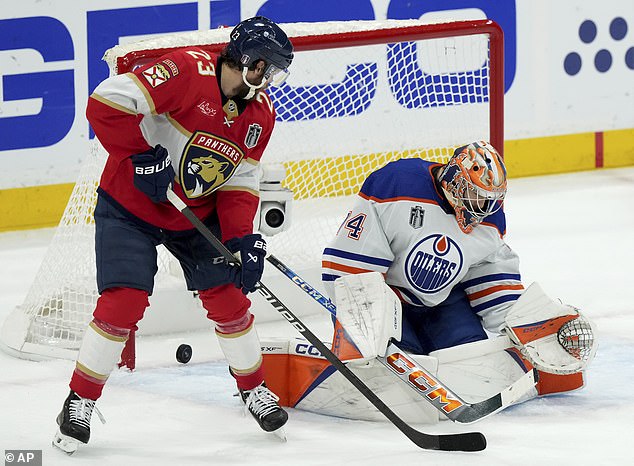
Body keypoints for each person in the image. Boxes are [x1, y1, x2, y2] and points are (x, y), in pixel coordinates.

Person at [53, 16, 294, 454]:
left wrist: (242, 238)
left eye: (275, 70)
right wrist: (142, 157)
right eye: (265, 66)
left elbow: (240, 179)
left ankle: (254, 389)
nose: (269, 77)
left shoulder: (261, 116)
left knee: (228, 298)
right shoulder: (185, 71)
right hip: (130, 206)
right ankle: (79, 400)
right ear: (242, 56)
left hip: (193, 217)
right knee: (123, 302)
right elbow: (105, 103)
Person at [257, 141, 596, 423]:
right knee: (396, 372)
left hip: (443, 302)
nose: (483, 210)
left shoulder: (490, 217)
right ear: (456, 182)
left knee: (473, 359)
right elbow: (349, 261)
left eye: (490, 202)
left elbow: (491, 275)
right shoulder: (395, 184)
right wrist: (366, 321)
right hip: (384, 298)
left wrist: (525, 324)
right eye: (477, 198)